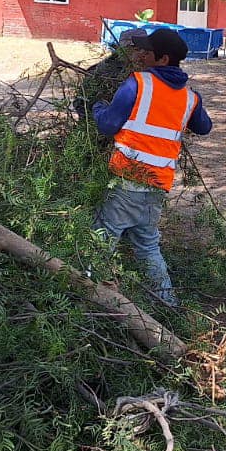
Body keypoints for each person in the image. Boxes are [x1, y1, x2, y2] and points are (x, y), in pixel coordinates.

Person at [91, 26, 213, 306]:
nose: (141, 55)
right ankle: (168, 305)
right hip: (157, 184)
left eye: (148, 51)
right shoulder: (190, 98)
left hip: (126, 179)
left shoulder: (138, 83)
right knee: (147, 246)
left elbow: (108, 124)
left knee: (99, 242)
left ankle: (86, 298)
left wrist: (97, 107)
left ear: (164, 59)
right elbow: (204, 127)